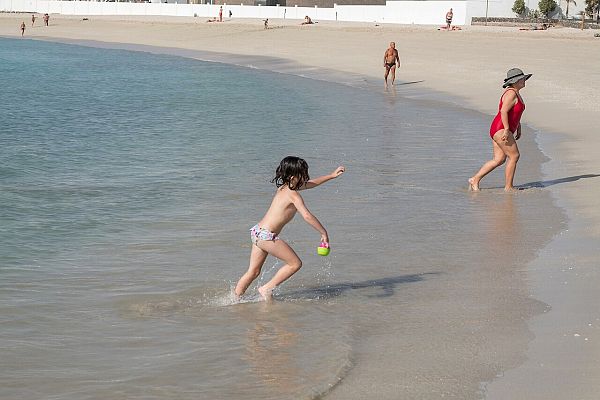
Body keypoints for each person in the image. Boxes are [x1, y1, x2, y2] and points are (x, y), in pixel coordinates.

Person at [234, 156, 345, 301]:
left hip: (257, 232)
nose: (305, 177)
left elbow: (311, 184)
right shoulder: (294, 195)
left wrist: (331, 176)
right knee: (295, 263)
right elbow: (306, 215)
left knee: (253, 272)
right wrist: (323, 232)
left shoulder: (284, 188)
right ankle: (266, 288)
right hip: (267, 235)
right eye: (303, 174)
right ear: (293, 176)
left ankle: (234, 300)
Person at [468, 68, 532, 192]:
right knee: (514, 156)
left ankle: (475, 179)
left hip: (499, 128)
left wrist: (518, 126)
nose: (525, 80)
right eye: (523, 78)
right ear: (515, 81)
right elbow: (503, 111)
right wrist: (507, 129)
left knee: (499, 159)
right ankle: (509, 187)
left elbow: (514, 113)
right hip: (501, 128)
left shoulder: (515, 92)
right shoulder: (511, 93)